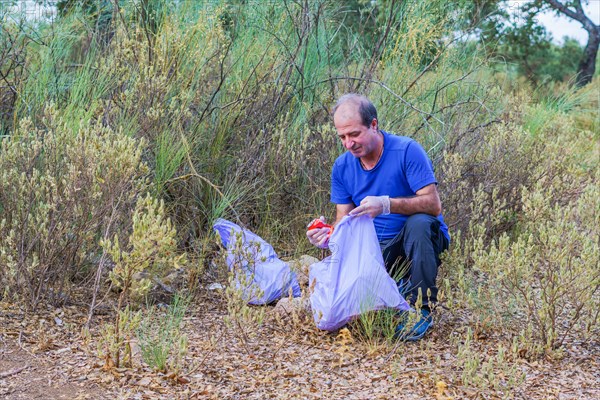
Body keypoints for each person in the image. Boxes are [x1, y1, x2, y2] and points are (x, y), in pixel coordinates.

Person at [306, 93, 450, 341]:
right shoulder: (342, 167)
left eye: (354, 134)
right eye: (342, 137)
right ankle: (398, 289)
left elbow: (433, 205)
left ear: (374, 125)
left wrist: (386, 205)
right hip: (375, 250)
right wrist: (327, 235)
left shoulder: (406, 151)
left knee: (419, 223)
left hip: (415, 241)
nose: (348, 144)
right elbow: (343, 217)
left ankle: (421, 310)